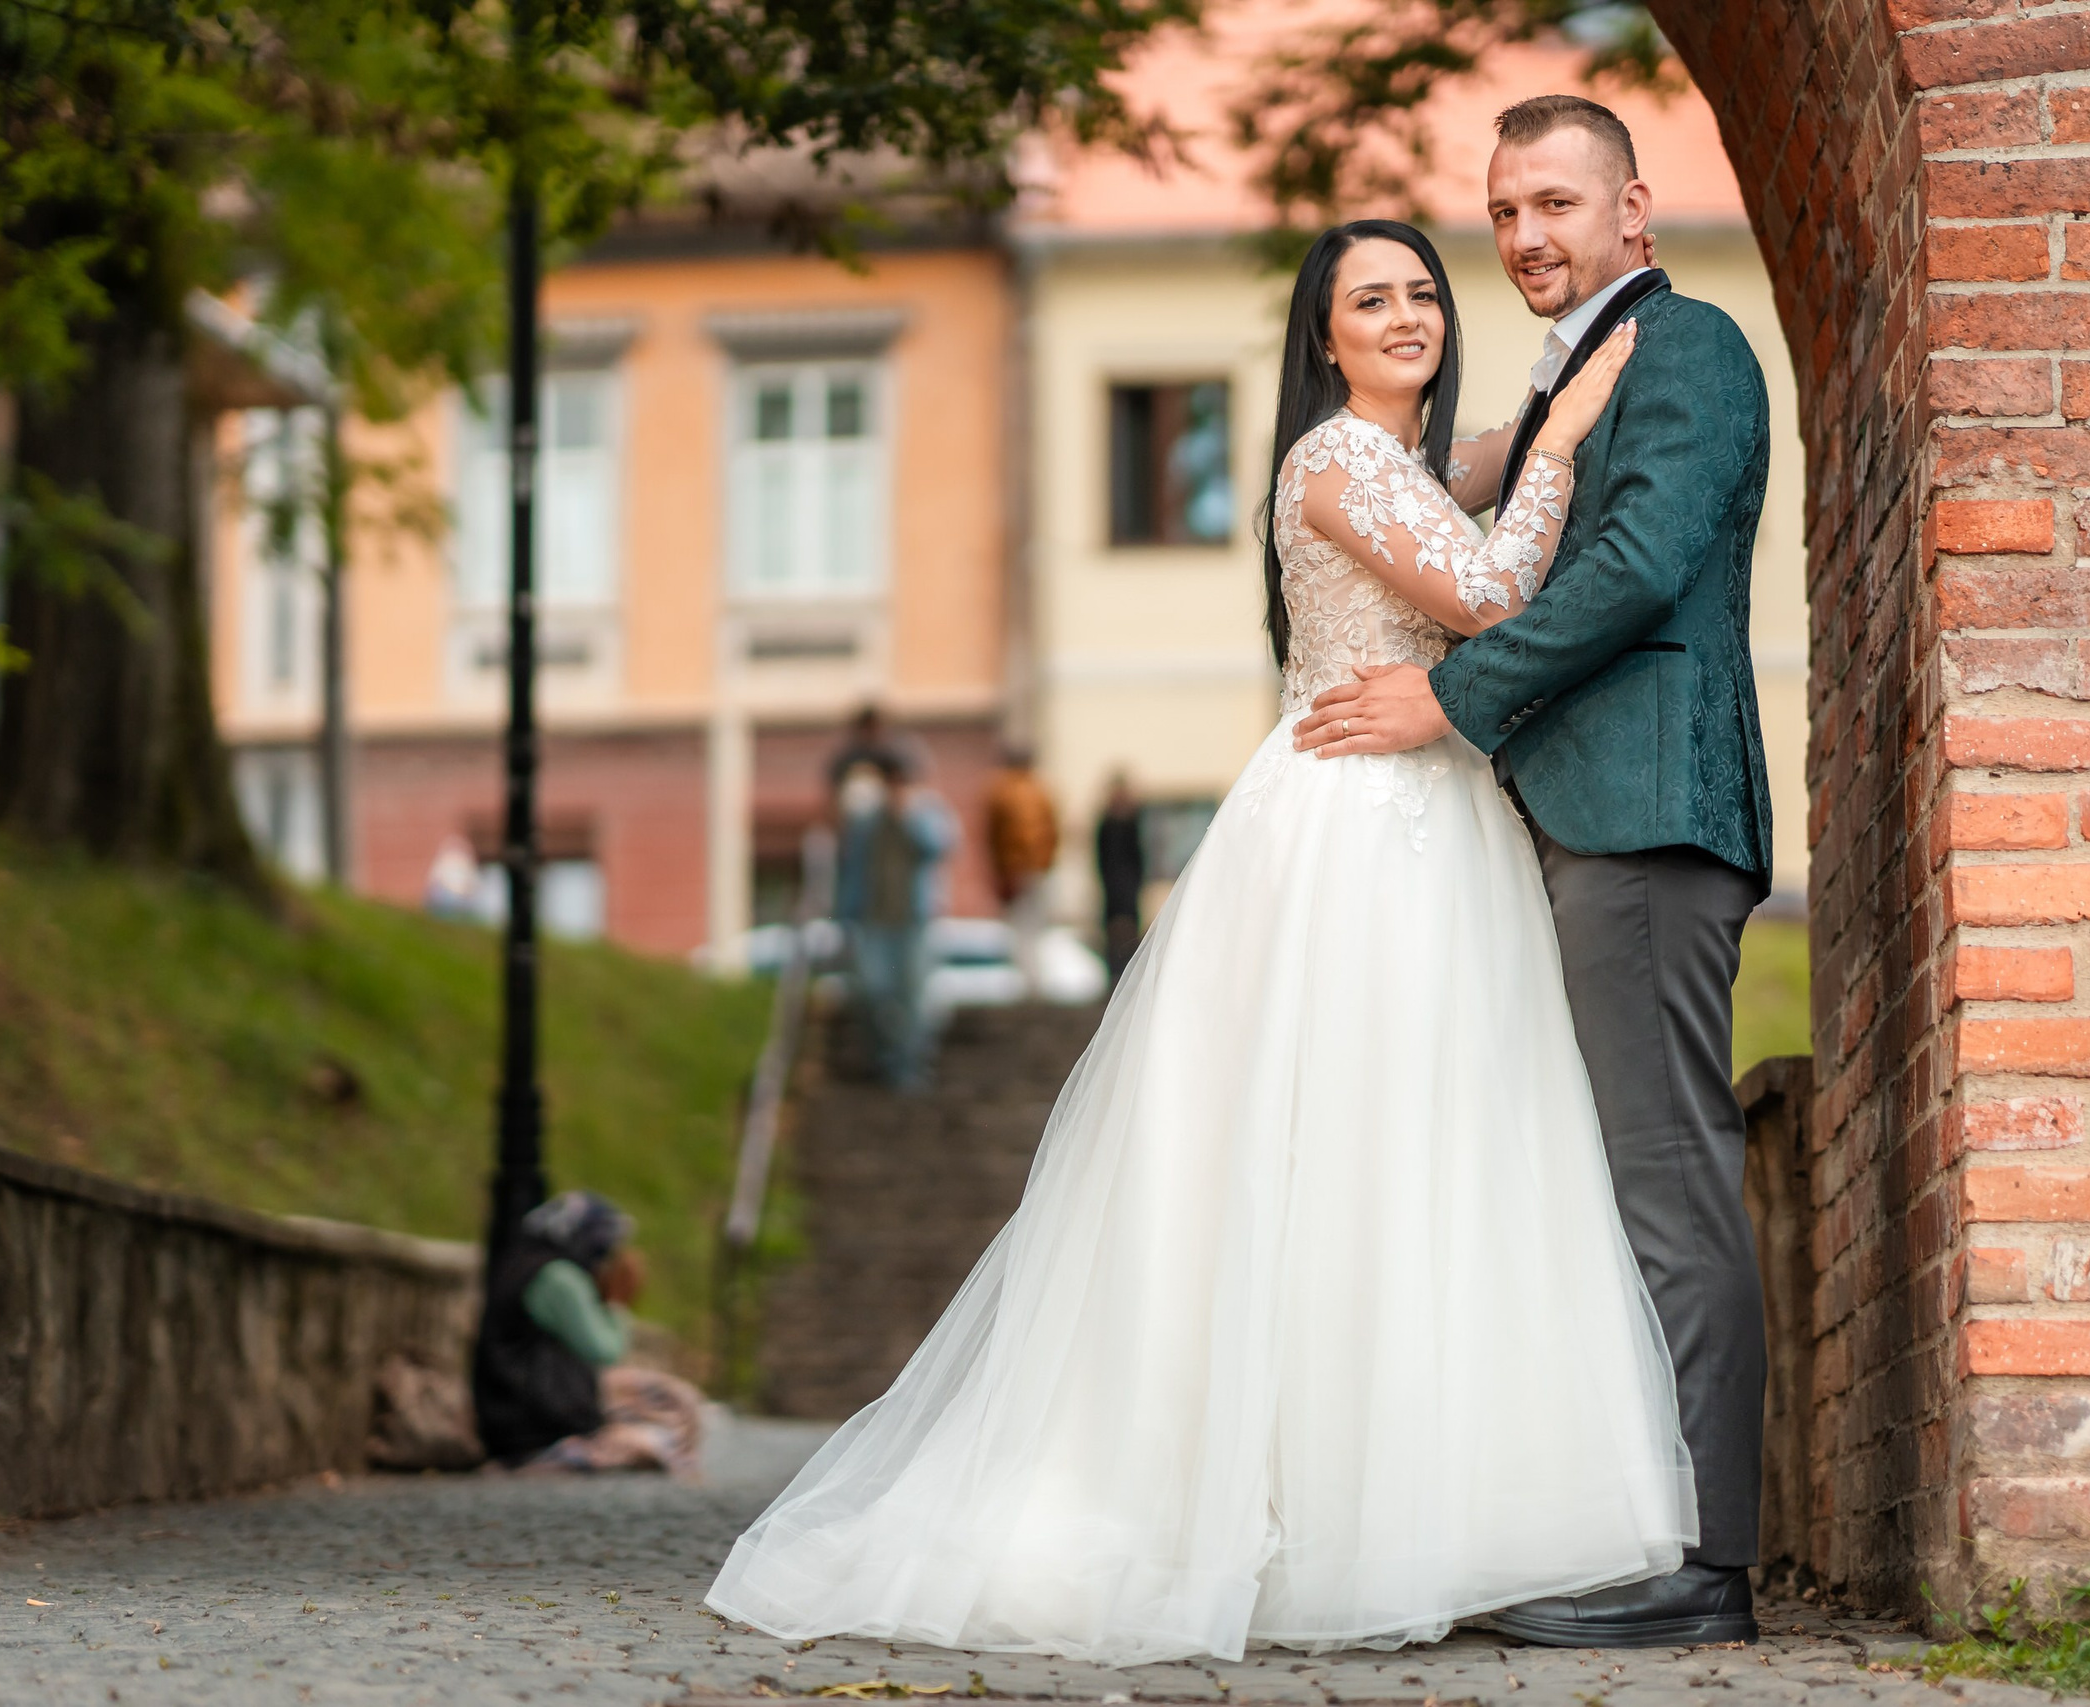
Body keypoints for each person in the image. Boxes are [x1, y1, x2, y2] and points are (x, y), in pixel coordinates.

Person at [709, 207, 1691, 1663]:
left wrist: (1533, 416)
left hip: (1430, 821)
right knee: (1344, 1155)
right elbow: (1486, 591)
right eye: (1373, 299)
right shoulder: (1336, 458)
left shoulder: (1401, 462)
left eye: (1425, 291)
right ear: (1324, 334)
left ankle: (1419, 1502)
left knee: (1433, 1152)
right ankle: (1304, 1508)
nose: (1409, 314)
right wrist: (1558, 448)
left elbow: (1462, 480)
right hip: (1357, 832)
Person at [1293, 95, 1773, 1648]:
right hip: (1581, 818)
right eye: (1504, 213)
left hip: (1645, 815)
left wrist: (1450, 698)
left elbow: (1634, 570)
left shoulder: (1685, 346)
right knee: (1598, 1186)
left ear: (1636, 210)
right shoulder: (1561, 375)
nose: (1526, 239)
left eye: (1557, 204)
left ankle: (1698, 1560)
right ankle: (1628, 1522)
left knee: (1663, 1177)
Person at [471, 1191, 703, 1477]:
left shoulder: (523, 1263)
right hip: (538, 1422)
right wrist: (618, 1300)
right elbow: (604, 1350)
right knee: (677, 1401)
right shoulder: (560, 1278)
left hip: (508, 1415)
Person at [833, 758, 955, 1090]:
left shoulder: (927, 814)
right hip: (876, 920)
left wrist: (909, 818)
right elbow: (854, 869)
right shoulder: (868, 821)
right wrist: (845, 916)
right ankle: (885, 1059)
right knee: (874, 990)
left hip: (913, 920)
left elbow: (939, 848)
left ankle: (910, 1066)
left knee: (914, 996)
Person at [984, 746, 1059, 990]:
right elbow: (1052, 833)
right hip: (1039, 869)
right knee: (1035, 927)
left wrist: (1005, 871)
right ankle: (1035, 980)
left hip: (1015, 871)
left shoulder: (1001, 792)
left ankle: (1029, 982)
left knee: (1021, 929)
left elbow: (994, 837)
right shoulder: (1042, 791)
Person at [1092, 772, 1145, 984]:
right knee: (1114, 927)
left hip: (1127, 882)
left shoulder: (1131, 820)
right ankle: (1114, 971)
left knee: (1128, 926)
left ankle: (1126, 970)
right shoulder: (1109, 822)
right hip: (1114, 882)